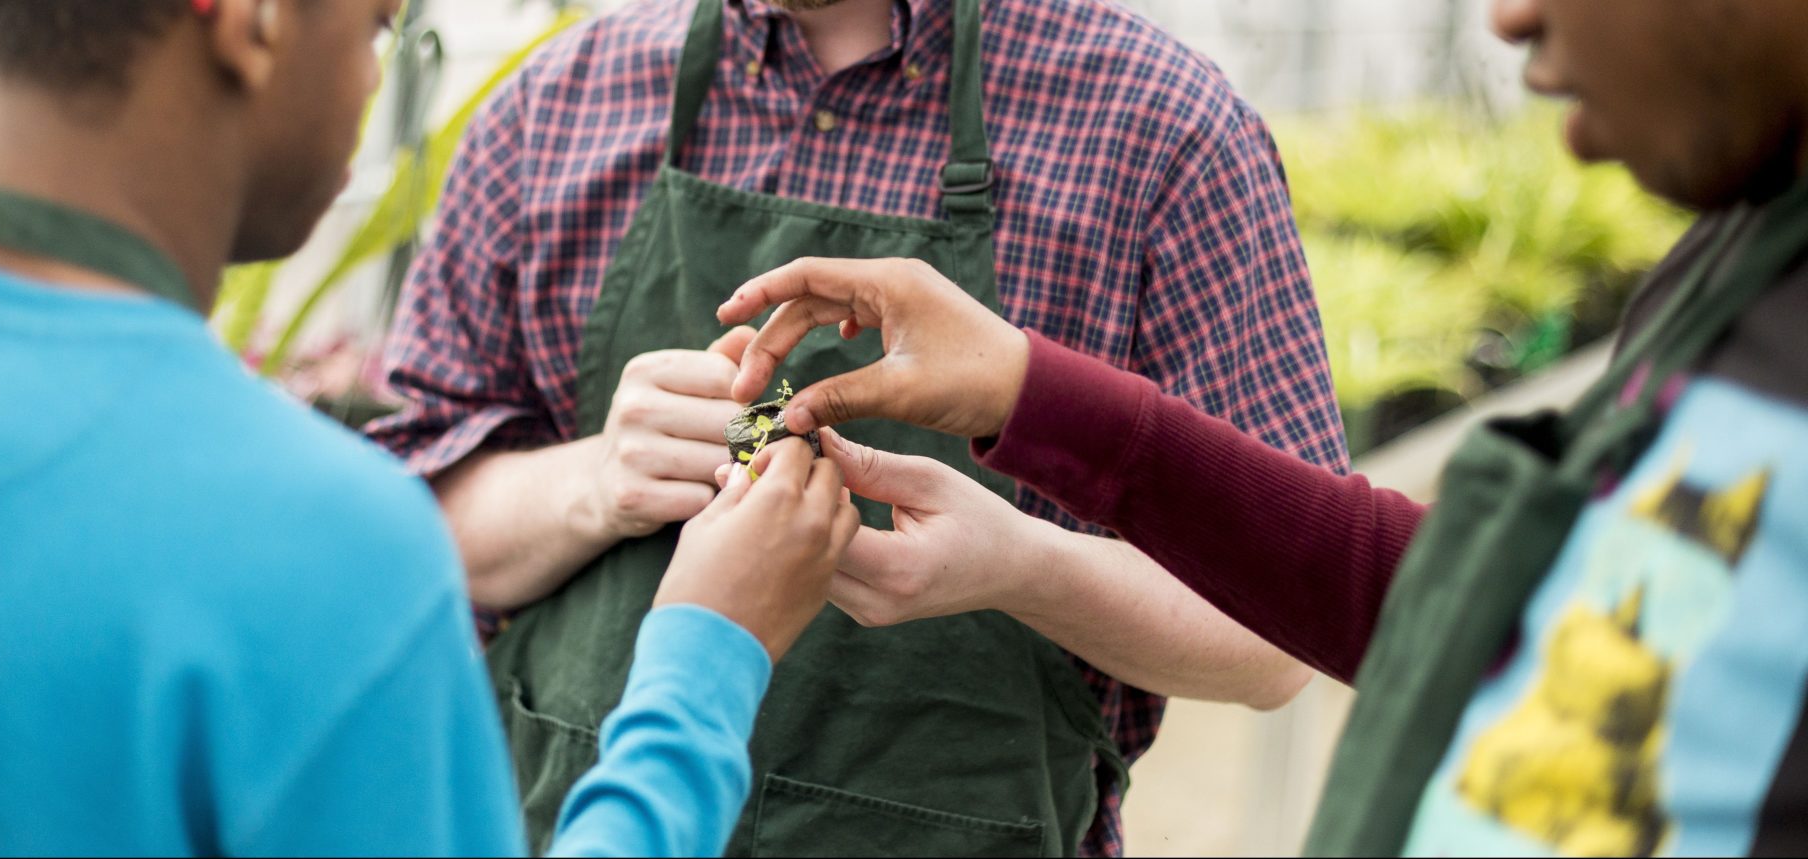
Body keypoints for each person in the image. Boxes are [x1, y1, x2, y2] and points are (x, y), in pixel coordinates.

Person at [712, 0, 1808, 854]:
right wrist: (1026, 392)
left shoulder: (1163, 119)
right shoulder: (1727, 270)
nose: (1509, 21)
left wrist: (1026, 564)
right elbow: (1457, 606)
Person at [370, 0, 1347, 849]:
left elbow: (1277, 639)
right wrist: (592, 481)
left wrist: (1021, 569)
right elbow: (410, 538)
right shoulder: (552, 112)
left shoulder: (1159, 131)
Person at [0, 0, 859, 855]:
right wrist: (706, 660)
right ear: (252, 19)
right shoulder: (317, 544)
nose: (367, 82)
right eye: (374, 28)